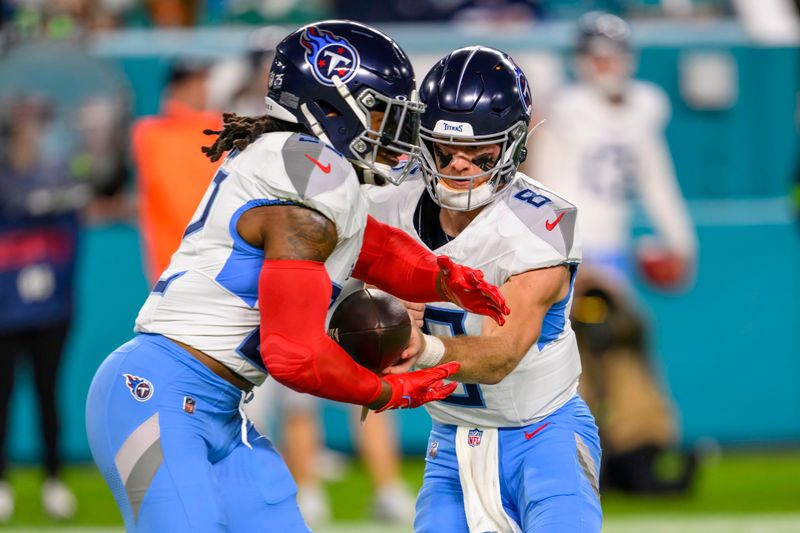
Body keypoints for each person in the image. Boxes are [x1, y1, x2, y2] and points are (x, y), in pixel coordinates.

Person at [85, 20, 509, 532]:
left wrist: (442, 278)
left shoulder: (309, 170)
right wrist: (386, 392)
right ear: (331, 106)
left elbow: (371, 247)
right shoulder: (306, 182)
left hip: (218, 406)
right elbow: (295, 353)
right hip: (160, 392)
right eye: (380, 111)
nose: (393, 130)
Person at [365, 46, 601, 532]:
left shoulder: (539, 224)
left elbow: (501, 354)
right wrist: (372, 315)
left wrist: (420, 344)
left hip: (543, 435)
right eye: (445, 150)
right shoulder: (387, 201)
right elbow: (328, 300)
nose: (459, 166)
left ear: (513, 145)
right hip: (451, 442)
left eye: (480, 153)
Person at [531, 12, 698, 494]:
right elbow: (545, 186)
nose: (604, 63)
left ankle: (629, 456)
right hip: (568, 253)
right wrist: (564, 257)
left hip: (613, 252)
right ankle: (577, 461)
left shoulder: (643, 106)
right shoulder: (565, 107)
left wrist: (680, 243)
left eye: (611, 53)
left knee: (619, 350)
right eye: (595, 54)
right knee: (566, 361)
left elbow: (655, 177)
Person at [132, 60, 222, 282]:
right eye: (192, 83)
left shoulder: (219, 127)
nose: (201, 90)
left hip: (217, 258)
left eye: (203, 82)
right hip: (172, 262)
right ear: (174, 89)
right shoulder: (150, 134)